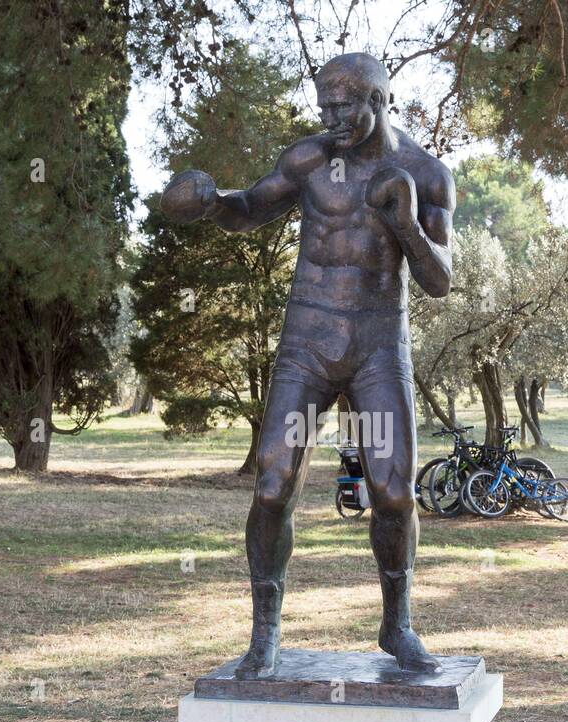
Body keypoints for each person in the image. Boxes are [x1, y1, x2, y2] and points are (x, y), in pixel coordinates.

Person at [161, 53, 456, 679]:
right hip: (307, 343)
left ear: (379, 99)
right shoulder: (310, 160)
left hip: (378, 344)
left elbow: (438, 281)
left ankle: (397, 624)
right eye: (323, 107)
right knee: (272, 484)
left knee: (395, 492)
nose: (332, 120)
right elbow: (251, 208)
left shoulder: (425, 174)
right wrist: (212, 203)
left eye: (344, 107)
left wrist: (403, 222)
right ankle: (264, 631)